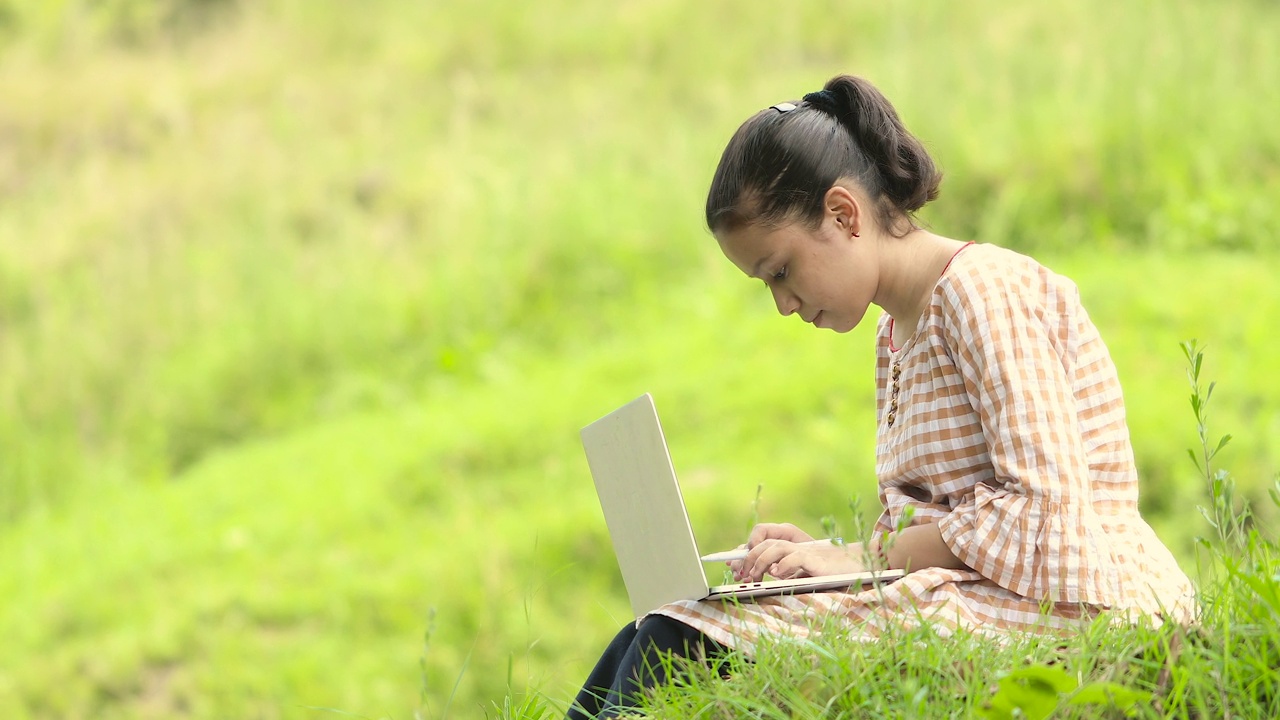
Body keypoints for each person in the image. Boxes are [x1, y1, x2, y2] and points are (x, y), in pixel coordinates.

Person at [566, 74, 1195, 719]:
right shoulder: (896, 333)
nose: (782, 304)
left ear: (843, 214)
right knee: (649, 631)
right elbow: (939, 523)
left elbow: (1044, 513)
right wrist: (820, 559)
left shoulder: (983, 292)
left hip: (1077, 602)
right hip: (986, 594)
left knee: (682, 637)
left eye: (779, 271)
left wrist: (857, 559)